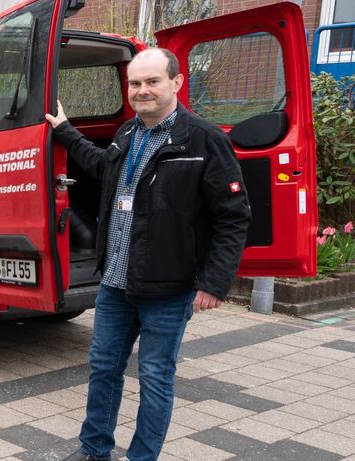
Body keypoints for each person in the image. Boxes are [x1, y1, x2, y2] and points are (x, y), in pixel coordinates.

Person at [45, 48, 250, 461]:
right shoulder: (126, 133)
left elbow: (234, 217)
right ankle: (93, 450)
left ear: (176, 83)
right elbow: (104, 168)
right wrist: (67, 131)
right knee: (104, 370)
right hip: (116, 284)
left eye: (152, 81)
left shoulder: (203, 139)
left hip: (168, 289)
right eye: (135, 83)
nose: (142, 91)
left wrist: (213, 282)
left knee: (155, 378)